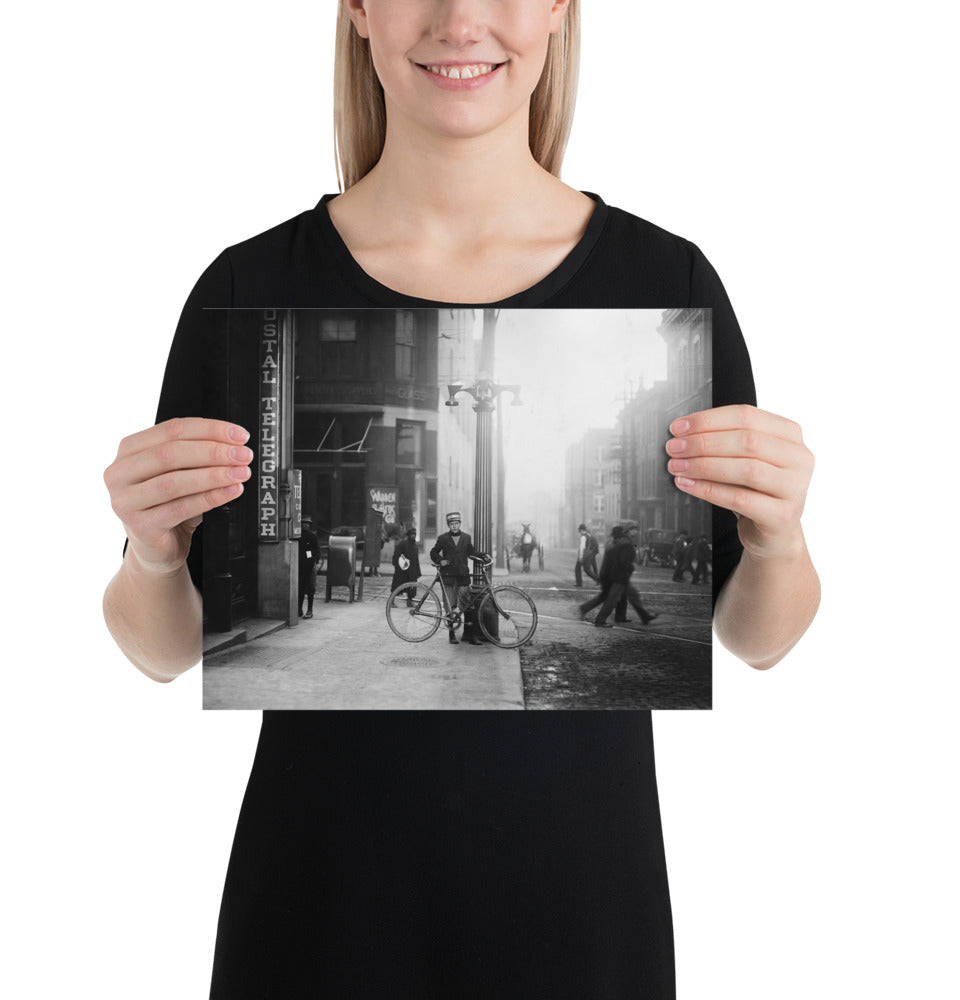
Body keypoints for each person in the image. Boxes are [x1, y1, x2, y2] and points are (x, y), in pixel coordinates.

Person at [102, 2, 820, 995]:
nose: (460, 18)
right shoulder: (245, 284)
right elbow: (161, 648)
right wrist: (151, 552)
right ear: (357, 8)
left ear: (563, 8)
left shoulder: (667, 277)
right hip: (320, 921)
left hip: (579, 920)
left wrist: (778, 538)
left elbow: (760, 637)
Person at [429, 512, 486, 646]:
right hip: (448, 577)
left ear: (460, 524)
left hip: (462, 577)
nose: (454, 526)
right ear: (449, 525)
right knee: (449, 606)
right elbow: (433, 552)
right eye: (452, 524)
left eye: (456, 523)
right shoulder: (443, 538)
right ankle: (451, 634)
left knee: (467, 605)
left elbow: (471, 553)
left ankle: (472, 636)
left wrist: (483, 556)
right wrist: (440, 560)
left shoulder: (466, 538)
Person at [592, 522, 657, 627]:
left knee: (632, 595)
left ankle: (644, 616)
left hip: (620, 575)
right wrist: (631, 568)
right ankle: (599, 619)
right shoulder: (625, 541)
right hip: (620, 575)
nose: (636, 531)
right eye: (634, 529)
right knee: (612, 599)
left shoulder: (623, 540)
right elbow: (622, 560)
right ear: (629, 530)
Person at [390, 525, 422, 603]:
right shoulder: (402, 544)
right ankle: (392, 601)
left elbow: (416, 560)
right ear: (408, 535)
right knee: (397, 585)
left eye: (414, 534)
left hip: (412, 571)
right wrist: (398, 566)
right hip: (402, 570)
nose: (413, 536)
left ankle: (409, 601)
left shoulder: (415, 546)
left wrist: (418, 571)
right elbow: (396, 555)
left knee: (411, 587)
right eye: (412, 534)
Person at [574, 521, 600, 587]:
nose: (579, 532)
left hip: (584, 555)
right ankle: (599, 580)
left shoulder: (583, 537)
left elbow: (582, 547)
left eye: (579, 530)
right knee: (587, 570)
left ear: (581, 530)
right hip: (588, 555)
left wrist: (580, 557)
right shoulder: (588, 535)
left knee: (577, 569)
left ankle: (579, 583)